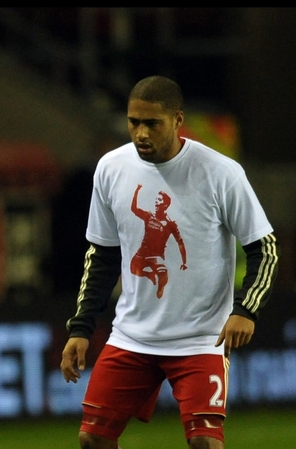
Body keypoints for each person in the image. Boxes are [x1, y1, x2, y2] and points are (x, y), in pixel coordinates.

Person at [60, 75, 279, 449]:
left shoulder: (221, 172)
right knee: (92, 438)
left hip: (201, 339)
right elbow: (102, 254)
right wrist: (81, 327)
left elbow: (266, 248)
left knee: (204, 444)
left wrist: (246, 309)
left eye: (152, 124)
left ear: (178, 121)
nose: (141, 133)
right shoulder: (111, 168)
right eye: (134, 123)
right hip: (133, 335)